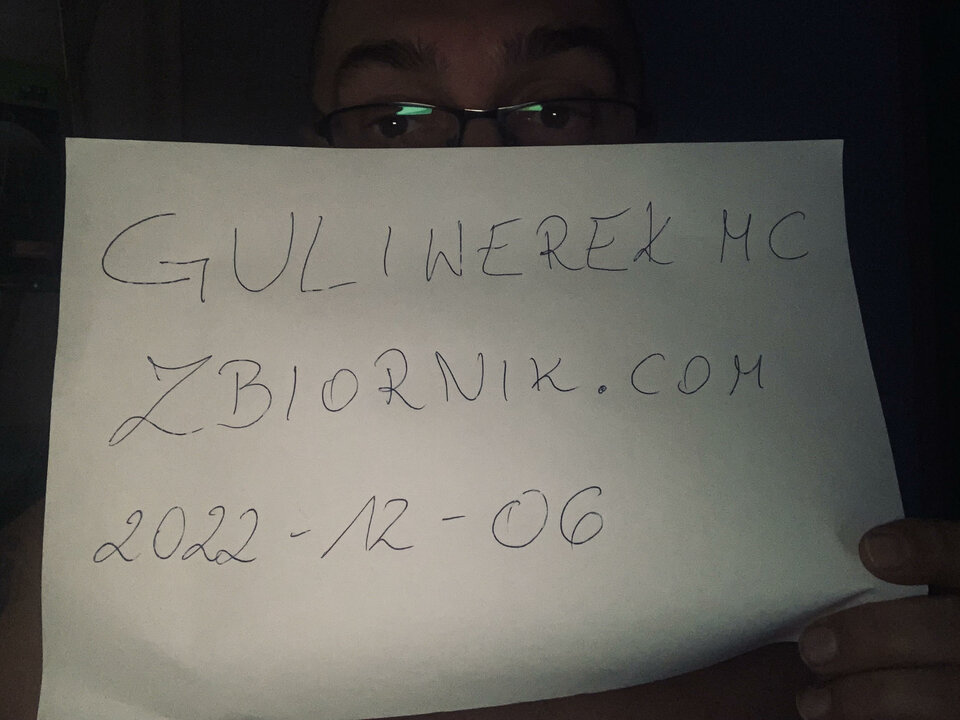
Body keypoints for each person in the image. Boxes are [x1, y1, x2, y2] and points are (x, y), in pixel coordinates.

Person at [2, 1, 958, 718]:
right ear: (306, 163)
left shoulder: (812, 542)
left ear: (645, 144)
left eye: (557, 110)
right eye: (394, 120)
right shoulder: (106, 568)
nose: (478, 165)